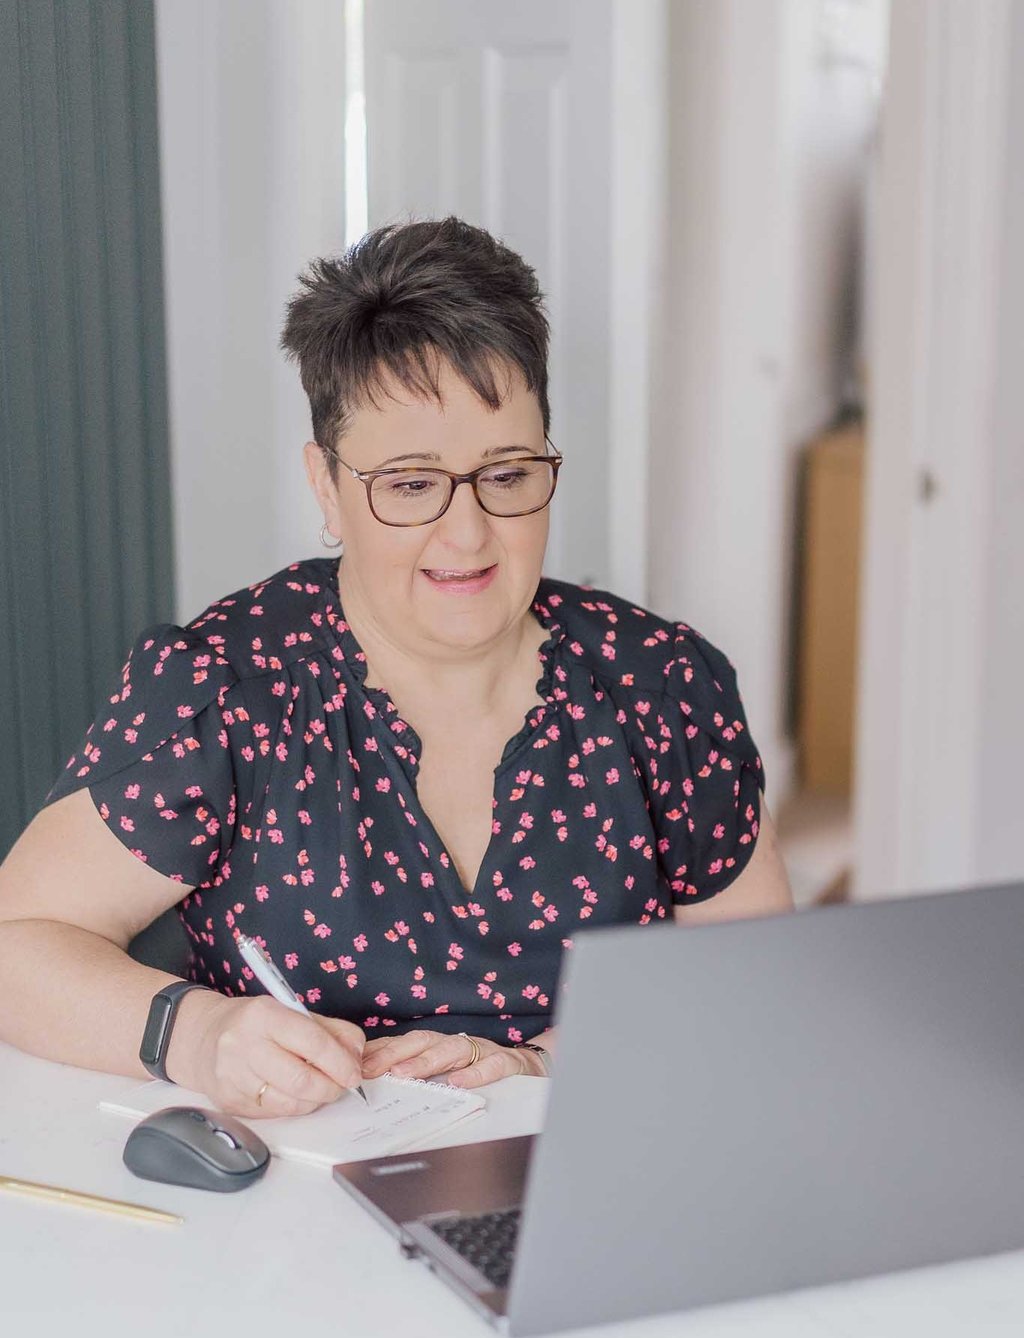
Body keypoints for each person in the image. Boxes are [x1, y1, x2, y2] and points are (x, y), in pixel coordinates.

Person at [0, 217, 793, 1119]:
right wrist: (199, 1036)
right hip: (291, 1214)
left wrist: (537, 1066)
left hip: (599, 1172)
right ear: (326, 486)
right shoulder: (230, 686)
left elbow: (750, 987)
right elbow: (19, 942)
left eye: (507, 473)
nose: (467, 533)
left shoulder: (660, 686)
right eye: (411, 484)